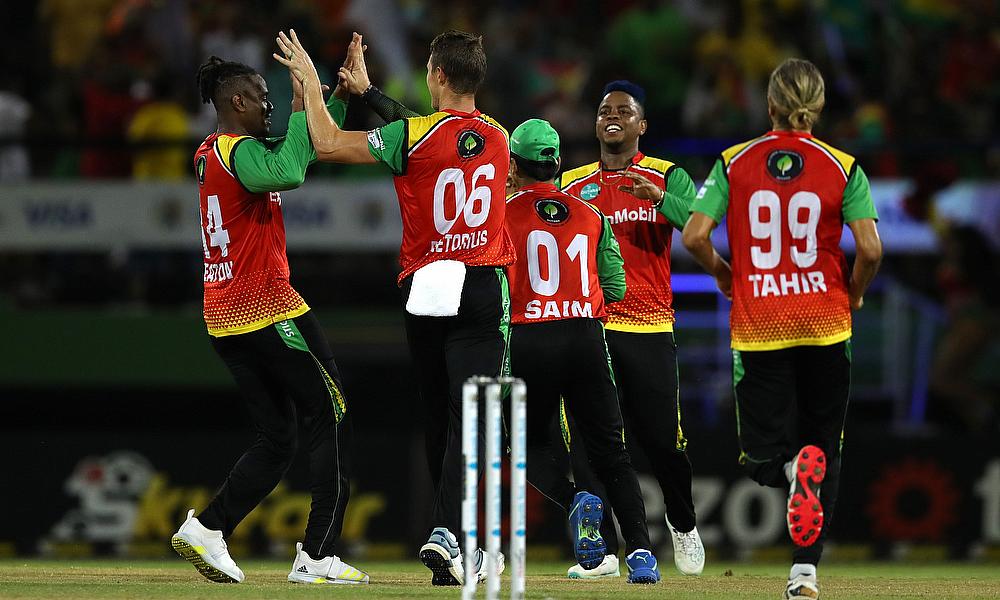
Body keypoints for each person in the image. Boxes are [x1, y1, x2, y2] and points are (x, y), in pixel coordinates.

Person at [274, 30, 515, 586]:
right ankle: (454, 535)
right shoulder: (498, 137)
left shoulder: (415, 135)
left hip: (426, 285)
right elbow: (440, 134)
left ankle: (451, 538)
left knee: (438, 416)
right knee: (470, 416)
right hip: (479, 284)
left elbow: (330, 143)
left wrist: (313, 81)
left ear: (437, 76)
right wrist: (370, 91)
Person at [682, 58, 882, 600]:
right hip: (826, 323)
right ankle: (804, 573)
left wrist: (728, 276)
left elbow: (696, 235)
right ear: (817, 108)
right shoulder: (844, 166)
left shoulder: (734, 161)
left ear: (768, 105)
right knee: (826, 447)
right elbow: (869, 249)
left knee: (760, 458)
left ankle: (791, 468)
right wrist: (856, 291)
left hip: (761, 323)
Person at [170, 55, 369, 586]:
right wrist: (308, 96)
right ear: (237, 101)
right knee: (330, 412)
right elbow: (291, 168)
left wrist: (326, 104)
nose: (269, 103)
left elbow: (296, 151)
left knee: (278, 438)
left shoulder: (212, 153)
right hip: (267, 306)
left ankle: (209, 529)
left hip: (224, 315)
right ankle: (320, 556)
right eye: (262, 96)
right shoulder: (239, 152)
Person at [556, 80, 705, 578]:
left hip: (650, 327)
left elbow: (699, 225)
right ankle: (599, 551)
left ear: (642, 125)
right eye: (603, 110)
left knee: (664, 441)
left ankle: (682, 523)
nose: (611, 116)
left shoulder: (667, 175)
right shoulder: (573, 184)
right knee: (594, 443)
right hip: (592, 326)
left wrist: (660, 199)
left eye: (624, 110)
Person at [505, 118, 661, 584]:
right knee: (612, 450)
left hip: (529, 337)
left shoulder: (501, 214)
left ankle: (576, 502)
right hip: (585, 337)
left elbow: (491, 283)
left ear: (514, 164)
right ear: (557, 163)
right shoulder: (592, 216)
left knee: (525, 445)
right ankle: (641, 555)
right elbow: (615, 286)